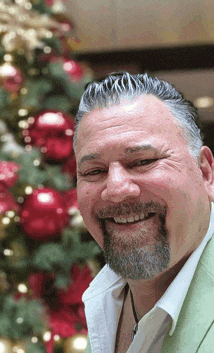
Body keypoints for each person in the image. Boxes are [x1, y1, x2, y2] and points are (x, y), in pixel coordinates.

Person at [74, 72, 214, 353]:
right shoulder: (104, 300)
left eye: (142, 161)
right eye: (94, 171)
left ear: (205, 173)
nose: (116, 189)